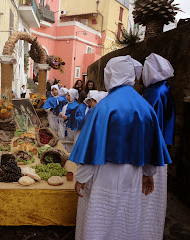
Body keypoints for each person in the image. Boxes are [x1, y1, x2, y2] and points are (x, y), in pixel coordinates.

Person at [70, 55, 172, 240]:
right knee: (126, 218)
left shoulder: (104, 107)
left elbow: (92, 148)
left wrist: (81, 178)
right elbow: (151, 146)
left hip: (104, 175)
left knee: (101, 218)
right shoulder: (145, 106)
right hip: (132, 175)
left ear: (111, 74)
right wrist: (148, 174)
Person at [141, 53, 175, 240]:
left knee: (148, 195)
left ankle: (145, 232)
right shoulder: (163, 89)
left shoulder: (155, 92)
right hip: (159, 149)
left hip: (153, 152)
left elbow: (149, 126)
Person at [58, 88, 79, 153]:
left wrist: (68, 117)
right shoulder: (66, 104)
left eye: (68, 95)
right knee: (64, 140)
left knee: (70, 141)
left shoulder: (76, 105)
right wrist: (61, 113)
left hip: (70, 127)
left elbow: (75, 115)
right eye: (66, 95)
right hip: (64, 125)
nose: (66, 97)